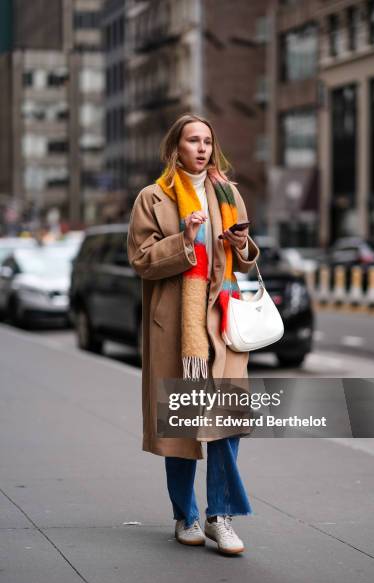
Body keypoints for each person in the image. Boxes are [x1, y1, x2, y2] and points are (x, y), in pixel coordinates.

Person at [127, 113, 260, 555]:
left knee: (226, 424)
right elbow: (142, 259)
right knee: (182, 424)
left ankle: (219, 516)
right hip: (177, 327)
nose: (201, 148)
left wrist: (241, 244)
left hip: (222, 322)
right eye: (192, 141)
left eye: (207, 140)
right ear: (175, 148)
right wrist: (184, 240)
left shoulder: (229, 194)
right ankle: (185, 513)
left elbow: (244, 262)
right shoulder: (154, 197)